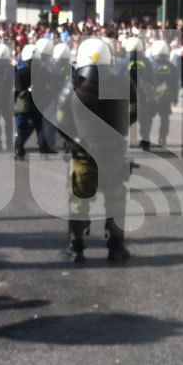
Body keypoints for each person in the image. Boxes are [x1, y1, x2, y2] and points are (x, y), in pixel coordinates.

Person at [56, 38, 133, 263]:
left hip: (83, 153)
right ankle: (116, 247)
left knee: (79, 200)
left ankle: (75, 247)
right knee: (116, 199)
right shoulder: (122, 84)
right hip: (114, 153)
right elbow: (134, 112)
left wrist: (75, 137)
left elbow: (60, 121)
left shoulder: (71, 86)